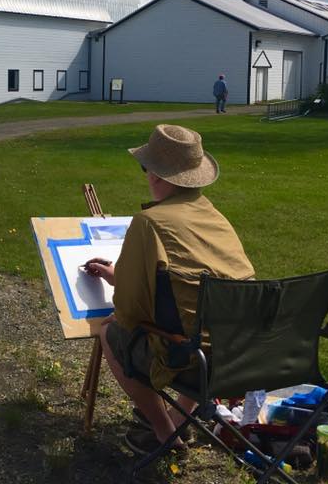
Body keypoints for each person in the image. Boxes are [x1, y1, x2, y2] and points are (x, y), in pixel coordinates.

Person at [83, 124, 253, 457]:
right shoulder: (216, 217)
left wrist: (122, 289)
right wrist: (121, 275)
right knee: (200, 331)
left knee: (110, 331)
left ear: (156, 176)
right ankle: (178, 420)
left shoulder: (150, 223)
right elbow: (189, 282)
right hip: (238, 354)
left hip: (192, 361)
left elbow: (129, 311)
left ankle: (163, 433)